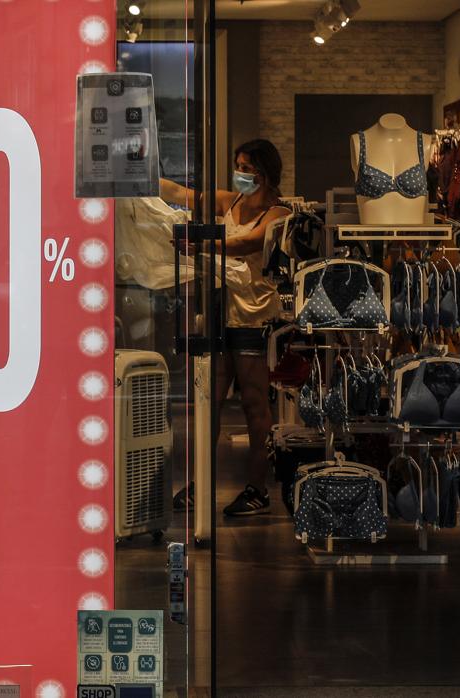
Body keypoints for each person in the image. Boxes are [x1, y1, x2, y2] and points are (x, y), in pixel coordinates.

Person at [159, 139, 291, 516]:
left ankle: (257, 488)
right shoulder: (229, 202)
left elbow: (248, 243)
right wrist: (143, 178)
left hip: (254, 315)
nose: (239, 172)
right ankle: (200, 485)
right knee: (209, 403)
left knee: (253, 403)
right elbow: (184, 194)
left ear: (262, 173)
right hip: (221, 312)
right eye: (238, 164)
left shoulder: (277, 213)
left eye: (245, 166)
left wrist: (199, 243)